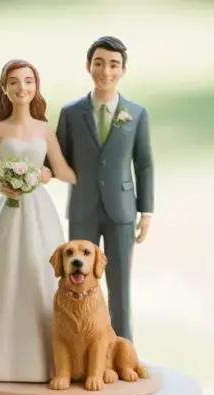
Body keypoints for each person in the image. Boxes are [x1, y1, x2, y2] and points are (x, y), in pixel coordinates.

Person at [0, 59, 77, 383]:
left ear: (36, 87)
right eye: (14, 82)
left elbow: (62, 170)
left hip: (39, 210)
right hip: (10, 209)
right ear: (4, 89)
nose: (21, 88)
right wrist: (1, 186)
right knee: (6, 271)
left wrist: (50, 174)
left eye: (28, 81)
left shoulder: (44, 130)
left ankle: (52, 361)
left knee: (41, 271)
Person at [53, 36, 153, 343]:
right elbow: (57, 157)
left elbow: (144, 164)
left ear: (123, 70)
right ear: (88, 66)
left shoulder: (137, 114)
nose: (106, 71)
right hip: (83, 208)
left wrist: (146, 211)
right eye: (99, 63)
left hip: (122, 210)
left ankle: (122, 351)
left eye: (113, 65)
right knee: (77, 283)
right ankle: (81, 348)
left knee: (120, 286)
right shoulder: (71, 114)